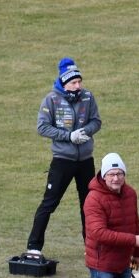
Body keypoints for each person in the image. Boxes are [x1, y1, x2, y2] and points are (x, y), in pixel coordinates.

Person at [24, 57, 101, 261]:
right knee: (49, 203)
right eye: (74, 82)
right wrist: (69, 136)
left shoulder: (88, 97)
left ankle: (91, 245)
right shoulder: (51, 99)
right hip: (62, 160)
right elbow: (42, 127)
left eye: (79, 81)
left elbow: (96, 121)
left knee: (89, 204)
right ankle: (34, 247)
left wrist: (85, 131)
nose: (78, 86)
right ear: (64, 82)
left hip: (85, 160)